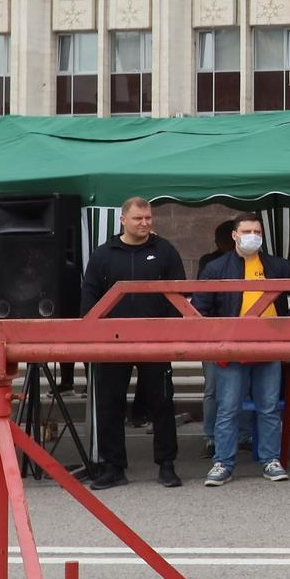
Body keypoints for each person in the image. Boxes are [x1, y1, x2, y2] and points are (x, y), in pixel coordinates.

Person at [79, 196, 188, 490]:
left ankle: (167, 465)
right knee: (109, 404)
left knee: (162, 402)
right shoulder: (103, 255)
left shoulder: (165, 251)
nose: (144, 223)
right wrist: (96, 335)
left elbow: (179, 294)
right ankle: (113, 467)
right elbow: (89, 297)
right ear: (123, 219)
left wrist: (169, 330)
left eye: (148, 218)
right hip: (113, 343)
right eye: (138, 218)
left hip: (156, 340)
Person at [199, 217, 290, 487]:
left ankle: (271, 460)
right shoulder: (216, 267)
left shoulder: (276, 265)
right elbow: (201, 306)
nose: (253, 235)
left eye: (257, 231)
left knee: (269, 408)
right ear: (234, 235)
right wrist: (217, 338)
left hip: (269, 347)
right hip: (231, 348)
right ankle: (222, 463)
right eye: (247, 231)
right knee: (228, 408)